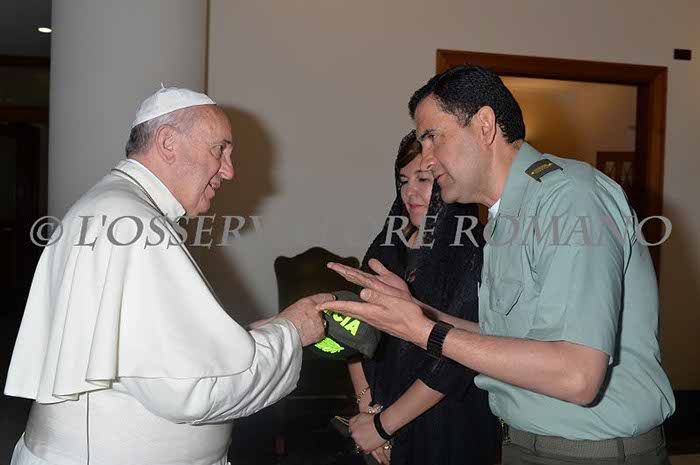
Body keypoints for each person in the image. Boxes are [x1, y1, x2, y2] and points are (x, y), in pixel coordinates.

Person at [322, 66, 675, 465]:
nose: (427, 160)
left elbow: (577, 375)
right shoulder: (504, 220)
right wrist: (419, 312)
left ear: (485, 125)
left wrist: (424, 331)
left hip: (589, 453)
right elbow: (506, 339)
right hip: (524, 445)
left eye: (433, 137)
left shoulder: (570, 199)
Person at [4, 86, 333, 465]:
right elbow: (194, 389)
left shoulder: (112, 206)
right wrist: (291, 332)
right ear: (167, 143)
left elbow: (154, 351)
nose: (229, 170)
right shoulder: (136, 225)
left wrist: (252, 337)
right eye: (220, 150)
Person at [346, 131, 498, 465]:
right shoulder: (386, 246)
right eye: (403, 181)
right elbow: (354, 328)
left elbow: (457, 360)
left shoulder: (473, 251)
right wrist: (367, 407)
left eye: (424, 180)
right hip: (378, 412)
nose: (410, 192)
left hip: (446, 424)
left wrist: (384, 425)